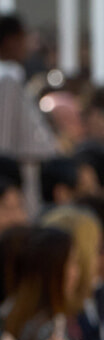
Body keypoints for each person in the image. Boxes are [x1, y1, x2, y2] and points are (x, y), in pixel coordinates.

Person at [0, 15, 56, 214]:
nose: (26, 46)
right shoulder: (7, 77)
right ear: (11, 40)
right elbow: (4, 135)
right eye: (23, 39)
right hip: (17, 175)